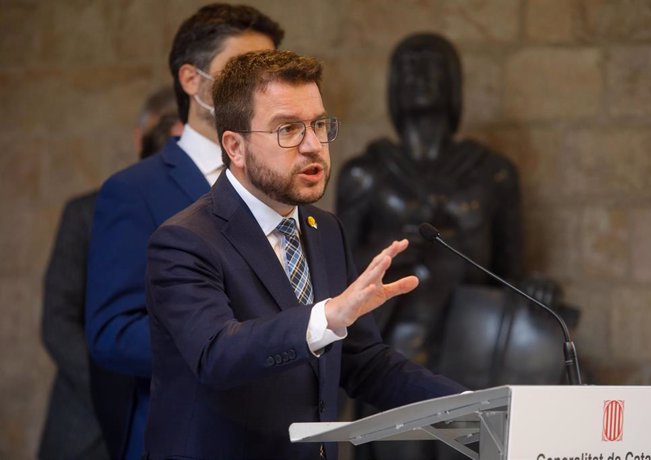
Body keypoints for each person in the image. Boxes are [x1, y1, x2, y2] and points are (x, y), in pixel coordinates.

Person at [144, 49, 466, 460]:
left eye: (318, 125)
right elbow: (216, 355)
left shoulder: (325, 230)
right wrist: (327, 316)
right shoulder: (184, 241)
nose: (313, 145)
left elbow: (361, 361)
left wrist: (471, 405)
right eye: (288, 129)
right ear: (236, 147)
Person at [85, 4, 284, 459]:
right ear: (192, 81)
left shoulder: (282, 183)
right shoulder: (134, 190)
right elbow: (112, 334)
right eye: (241, 71)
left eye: (268, 74)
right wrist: (234, 345)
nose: (262, 89)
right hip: (189, 436)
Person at [336, 32, 522, 460]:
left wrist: (536, 290)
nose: (418, 76)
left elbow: (510, 269)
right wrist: (393, 250)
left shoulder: (492, 173)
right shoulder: (366, 173)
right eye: (408, 66)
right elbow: (339, 276)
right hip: (396, 342)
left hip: (471, 341)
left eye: (431, 64)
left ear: (454, 82)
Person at [38, 85, 181, 460]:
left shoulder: (207, 216)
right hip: (86, 425)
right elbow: (58, 320)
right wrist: (113, 392)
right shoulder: (86, 212)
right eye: (162, 134)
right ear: (140, 138)